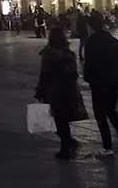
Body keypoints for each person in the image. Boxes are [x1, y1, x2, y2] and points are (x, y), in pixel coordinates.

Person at [36, 27, 85, 159]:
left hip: (55, 90)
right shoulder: (68, 53)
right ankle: (67, 146)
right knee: (63, 120)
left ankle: (68, 145)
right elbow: (74, 74)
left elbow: (44, 74)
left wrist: (40, 90)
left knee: (58, 120)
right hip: (69, 90)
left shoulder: (48, 53)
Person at [82, 12, 118, 157]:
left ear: (91, 27)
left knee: (100, 115)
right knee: (111, 109)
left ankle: (107, 147)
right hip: (113, 81)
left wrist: (89, 78)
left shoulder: (91, 42)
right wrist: (115, 74)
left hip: (99, 83)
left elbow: (89, 65)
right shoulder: (113, 40)